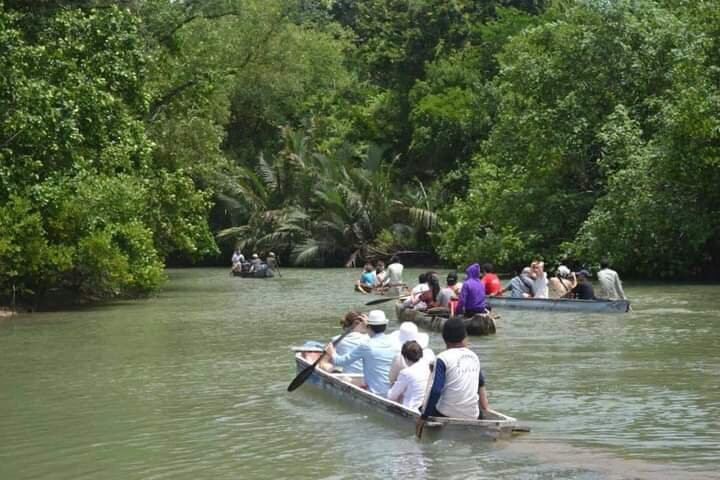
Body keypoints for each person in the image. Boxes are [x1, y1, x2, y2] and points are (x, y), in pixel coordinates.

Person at [418, 317, 489, 431]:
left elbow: (436, 390)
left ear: (444, 338)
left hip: (445, 415)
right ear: (465, 337)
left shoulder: (442, 358)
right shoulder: (474, 356)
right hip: (473, 415)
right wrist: (485, 409)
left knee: (422, 408)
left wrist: (424, 416)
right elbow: (481, 385)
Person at [326, 310, 400, 396]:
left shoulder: (366, 346)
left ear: (369, 326)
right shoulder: (393, 342)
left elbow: (340, 361)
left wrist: (332, 352)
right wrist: (368, 326)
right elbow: (374, 337)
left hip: (375, 391)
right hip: (391, 391)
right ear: (385, 326)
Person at [387, 341, 431, 411]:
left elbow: (391, 396)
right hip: (423, 408)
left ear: (405, 357)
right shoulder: (427, 367)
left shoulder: (406, 373)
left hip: (409, 410)